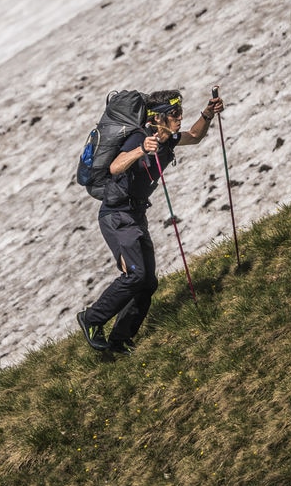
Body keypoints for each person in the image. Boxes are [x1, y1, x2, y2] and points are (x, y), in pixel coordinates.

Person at [76, 88, 224, 354]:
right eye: (174, 113)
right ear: (158, 117)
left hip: (135, 214)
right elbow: (115, 166)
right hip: (117, 215)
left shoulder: (167, 138)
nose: (180, 116)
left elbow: (195, 136)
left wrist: (207, 114)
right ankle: (91, 318)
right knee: (136, 275)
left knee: (148, 282)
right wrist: (140, 150)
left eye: (180, 111)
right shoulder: (139, 137)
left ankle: (120, 339)